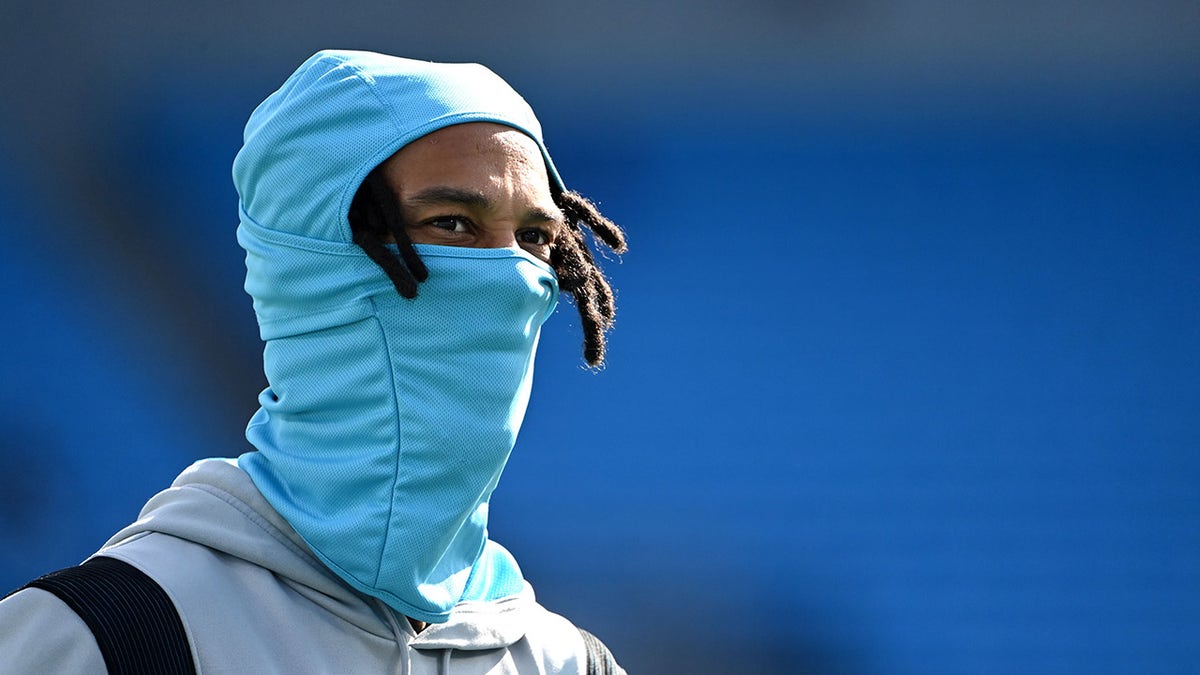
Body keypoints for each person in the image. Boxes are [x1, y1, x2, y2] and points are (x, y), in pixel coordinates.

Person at [0, 49, 628, 673]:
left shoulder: (569, 663)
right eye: (453, 224)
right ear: (312, 262)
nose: (514, 276)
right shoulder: (106, 640)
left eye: (534, 238)